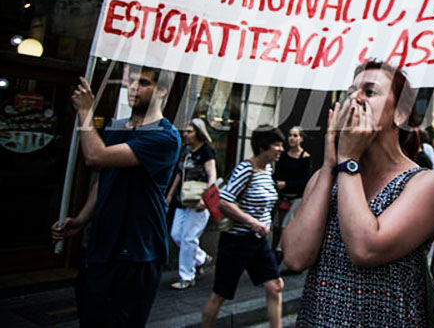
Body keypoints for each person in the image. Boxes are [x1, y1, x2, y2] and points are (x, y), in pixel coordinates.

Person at [283, 60, 434, 327]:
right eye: (350, 92)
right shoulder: (327, 178)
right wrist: (329, 167)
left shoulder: (427, 183)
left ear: (401, 113)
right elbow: (295, 257)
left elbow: (365, 249)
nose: (354, 100)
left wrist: (349, 158)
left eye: (369, 92)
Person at [51, 65, 180, 327]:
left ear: (162, 90)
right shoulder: (115, 127)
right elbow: (105, 180)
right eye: (130, 82)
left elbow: (96, 157)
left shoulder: (165, 136)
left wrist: (86, 112)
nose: (133, 88)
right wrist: (81, 219)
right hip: (101, 249)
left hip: (137, 252)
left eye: (143, 83)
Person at [202, 125, 285, 328]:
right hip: (236, 241)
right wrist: (253, 222)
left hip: (258, 241)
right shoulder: (245, 169)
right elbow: (224, 201)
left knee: (275, 286)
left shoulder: (267, 171)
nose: (281, 149)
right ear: (263, 146)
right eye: (277, 144)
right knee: (220, 294)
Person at [165, 118, 217, 289]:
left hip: (197, 201)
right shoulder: (186, 151)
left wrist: (205, 198)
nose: (185, 135)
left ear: (198, 133)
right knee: (176, 235)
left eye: (189, 131)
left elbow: (212, 176)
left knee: (188, 238)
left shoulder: (207, 151)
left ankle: (187, 277)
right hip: (182, 200)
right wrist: (171, 195)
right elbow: (180, 174)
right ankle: (201, 258)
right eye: (185, 131)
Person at [271, 126, 312, 257]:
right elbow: (276, 173)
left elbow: (305, 181)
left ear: (301, 139)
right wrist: (277, 183)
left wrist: (287, 184)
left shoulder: (305, 157)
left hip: (296, 198)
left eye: (295, 136)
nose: (292, 138)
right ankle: (274, 251)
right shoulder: (282, 155)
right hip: (281, 196)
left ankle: (279, 251)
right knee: (276, 226)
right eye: (290, 135)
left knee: (286, 225)